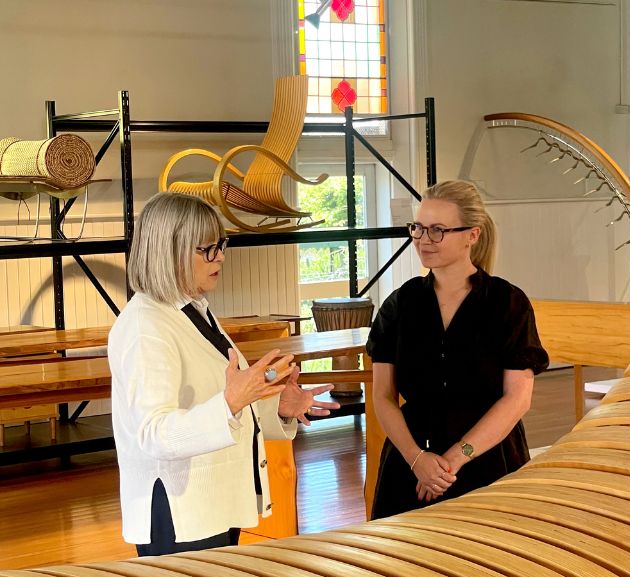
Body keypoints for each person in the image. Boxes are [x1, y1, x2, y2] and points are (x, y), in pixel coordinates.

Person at [108, 192, 338, 555]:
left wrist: (278, 405)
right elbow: (154, 434)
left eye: (221, 245)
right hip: (179, 513)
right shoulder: (145, 325)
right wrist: (231, 401)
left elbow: (216, 397)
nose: (220, 257)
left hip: (212, 503)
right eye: (206, 249)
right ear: (168, 251)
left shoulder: (194, 310)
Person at [366, 180, 549, 518]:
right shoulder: (400, 304)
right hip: (410, 464)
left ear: (472, 235)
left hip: (489, 463)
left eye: (438, 230)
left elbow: (517, 399)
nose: (423, 240)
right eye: (418, 228)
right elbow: (382, 396)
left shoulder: (508, 303)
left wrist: (452, 460)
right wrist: (417, 459)